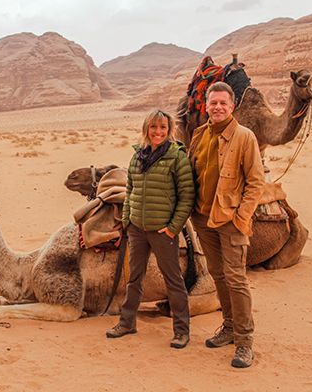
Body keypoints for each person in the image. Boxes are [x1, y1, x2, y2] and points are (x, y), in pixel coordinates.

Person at [188, 82, 265, 368]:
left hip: (230, 219)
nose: (218, 107)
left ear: (232, 107)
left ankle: (245, 341)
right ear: (207, 105)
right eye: (213, 103)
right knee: (218, 275)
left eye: (223, 103)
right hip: (203, 219)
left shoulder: (244, 137)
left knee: (236, 279)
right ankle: (229, 327)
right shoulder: (199, 135)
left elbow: (256, 181)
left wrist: (241, 216)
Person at [106, 109, 195, 349]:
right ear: (147, 129)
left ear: (169, 130)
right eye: (153, 127)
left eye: (162, 128)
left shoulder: (177, 157)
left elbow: (187, 196)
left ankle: (181, 331)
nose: (158, 132)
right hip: (137, 229)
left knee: (173, 281)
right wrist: (127, 220)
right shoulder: (137, 157)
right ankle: (127, 322)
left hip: (162, 231)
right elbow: (130, 191)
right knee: (134, 278)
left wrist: (173, 228)